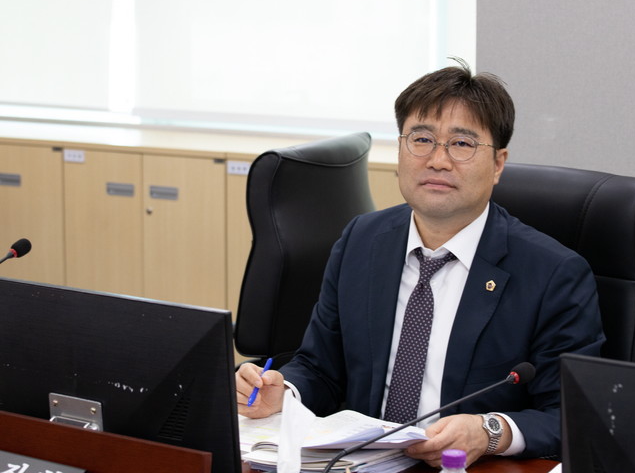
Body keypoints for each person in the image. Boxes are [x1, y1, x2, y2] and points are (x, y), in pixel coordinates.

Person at [235, 59, 604, 466]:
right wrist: (285, 391)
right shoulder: (361, 241)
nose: (437, 160)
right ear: (400, 149)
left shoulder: (553, 274)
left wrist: (489, 431)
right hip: (359, 462)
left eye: (462, 144)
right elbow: (320, 367)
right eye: (422, 139)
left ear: (498, 164)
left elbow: (568, 416)